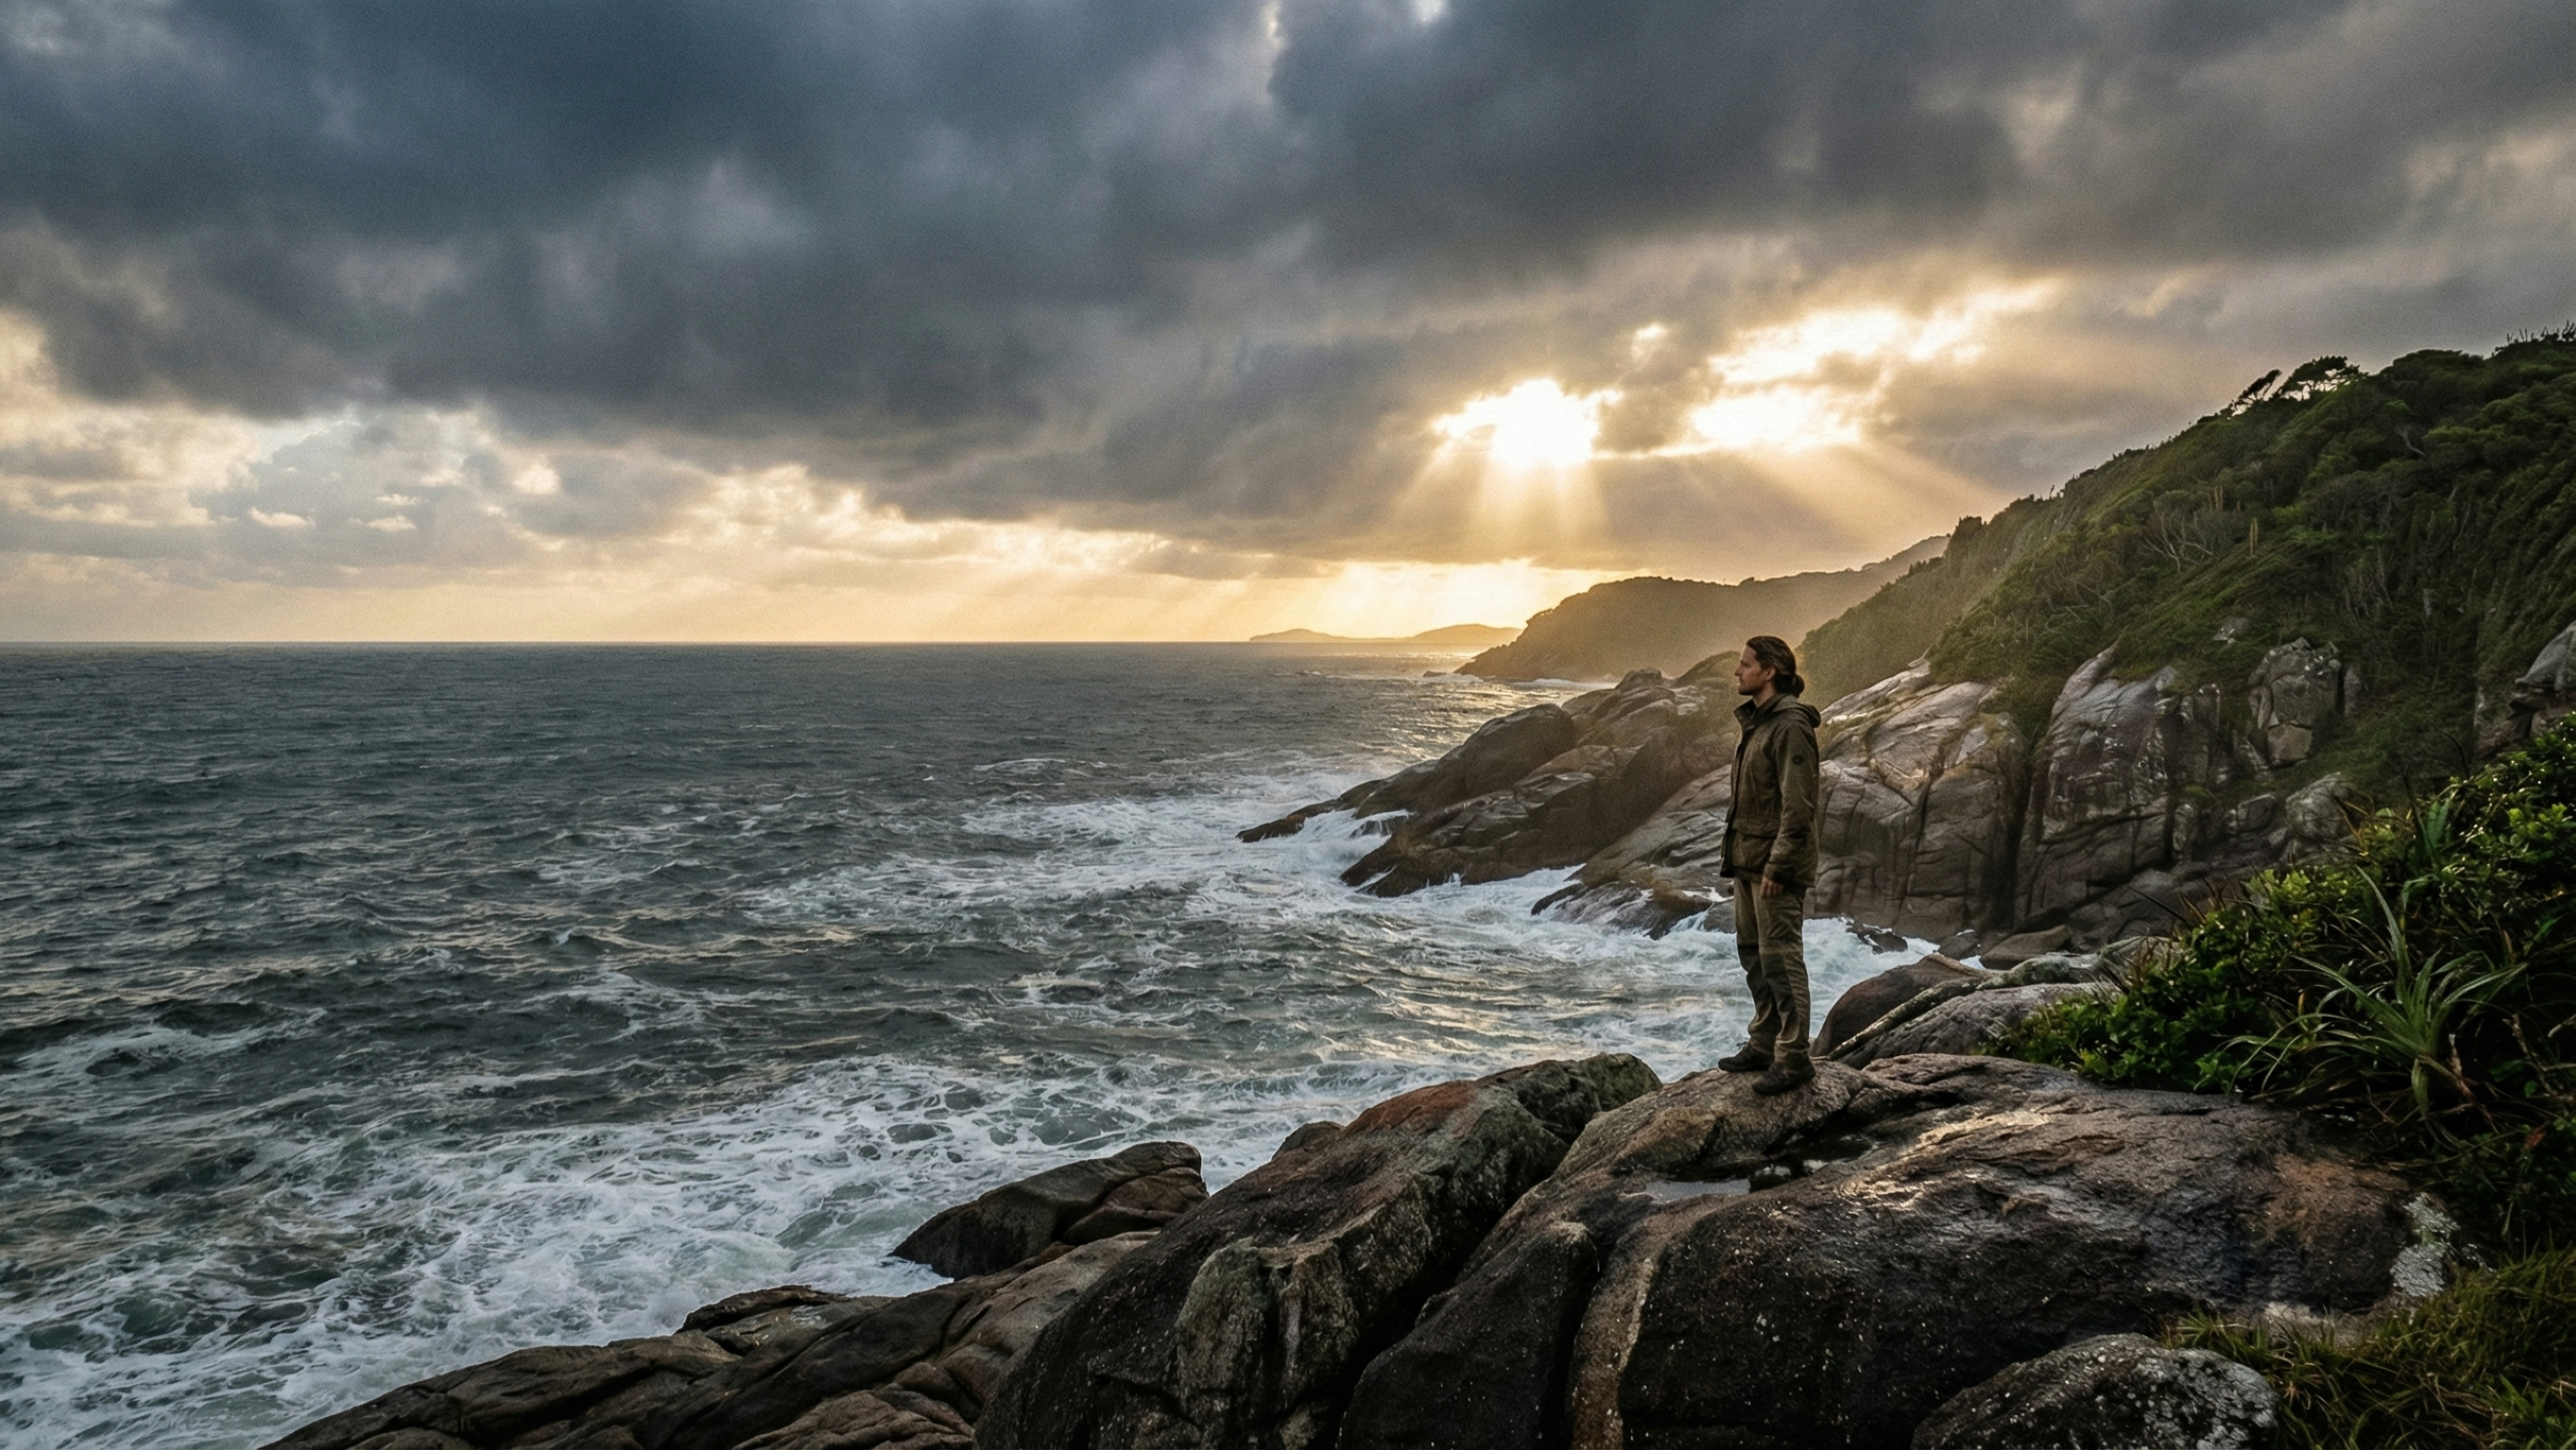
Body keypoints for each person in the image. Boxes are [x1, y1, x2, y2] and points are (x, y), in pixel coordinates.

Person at [1716, 635, 1821, 1095]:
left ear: (1769, 671)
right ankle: (1764, 1042)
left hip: (1773, 869)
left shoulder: (1791, 725)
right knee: (1754, 957)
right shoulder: (1759, 722)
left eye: (1745, 664)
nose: (1737, 672)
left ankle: (1794, 1058)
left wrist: (1778, 866)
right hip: (1747, 861)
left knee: (1781, 960)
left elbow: (1798, 807)